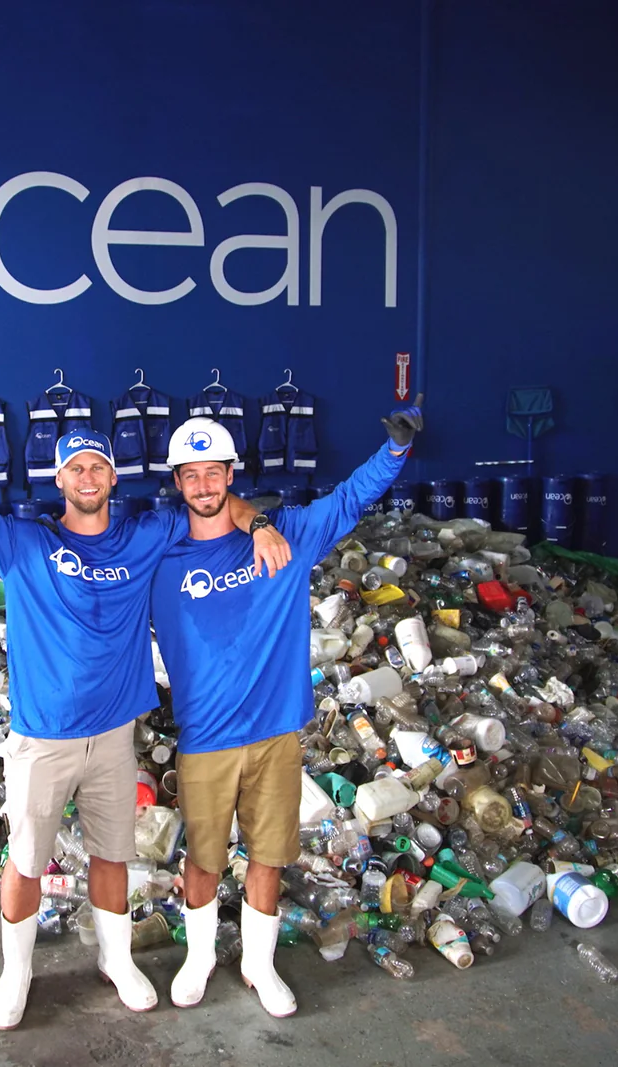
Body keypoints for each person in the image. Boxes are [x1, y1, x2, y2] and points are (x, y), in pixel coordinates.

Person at [0, 390, 291, 1031]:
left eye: (97, 467)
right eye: (75, 467)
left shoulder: (146, 534)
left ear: (113, 477)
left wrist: (262, 524)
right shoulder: (21, 543)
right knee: (26, 862)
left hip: (114, 734)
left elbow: (214, 501)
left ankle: (116, 960)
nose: (87, 476)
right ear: (60, 480)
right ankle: (16, 973)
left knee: (114, 856)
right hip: (42, 738)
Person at [148, 396, 424, 1016]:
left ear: (230, 475)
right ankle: (198, 959)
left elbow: (350, 499)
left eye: (213, 472)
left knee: (268, 856)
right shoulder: (159, 558)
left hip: (275, 735)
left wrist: (396, 450)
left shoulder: (289, 536)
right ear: (177, 483)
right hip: (204, 740)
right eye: (190, 475)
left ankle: (258, 965)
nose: (202, 485)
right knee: (204, 860)